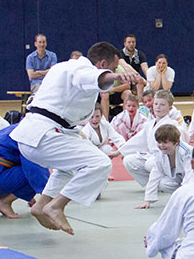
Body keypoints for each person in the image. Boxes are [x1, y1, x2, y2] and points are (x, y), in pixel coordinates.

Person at [11, 42, 141, 235]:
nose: (115, 73)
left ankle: (42, 204)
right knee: (100, 163)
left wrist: (120, 66)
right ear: (102, 63)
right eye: (113, 67)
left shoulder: (62, 67)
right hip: (45, 136)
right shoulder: (81, 69)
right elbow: (93, 77)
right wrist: (117, 76)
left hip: (35, 135)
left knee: (68, 167)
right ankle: (57, 206)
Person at [0, 123, 50, 219]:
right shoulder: (29, 134)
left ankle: (3, 201)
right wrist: (47, 195)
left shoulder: (20, 127)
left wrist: (29, 194)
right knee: (34, 173)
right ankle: (4, 202)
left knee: (34, 173)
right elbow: (33, 167)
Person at [122, 90, 186, 187]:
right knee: (129, 160)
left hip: (167, 160)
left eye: (162, 105)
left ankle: (169, 180)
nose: (158, 107)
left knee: (150, 164)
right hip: (152, 156)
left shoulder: (172, 125)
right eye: (156, 104)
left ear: (170, 108)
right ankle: (152, 184)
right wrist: (119, 152)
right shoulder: (150, 123)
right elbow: (138, 140)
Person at [131, 125, 192, 209]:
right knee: (164, 183)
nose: (161, 145)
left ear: (176, 142)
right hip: (180, 177)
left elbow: (190, 176)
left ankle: (189, 199)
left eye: (165, 142)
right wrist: (147, 200)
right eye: (159, 142)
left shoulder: (187, 153)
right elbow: (155, 174)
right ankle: (182, 197)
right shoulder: (160, 153)